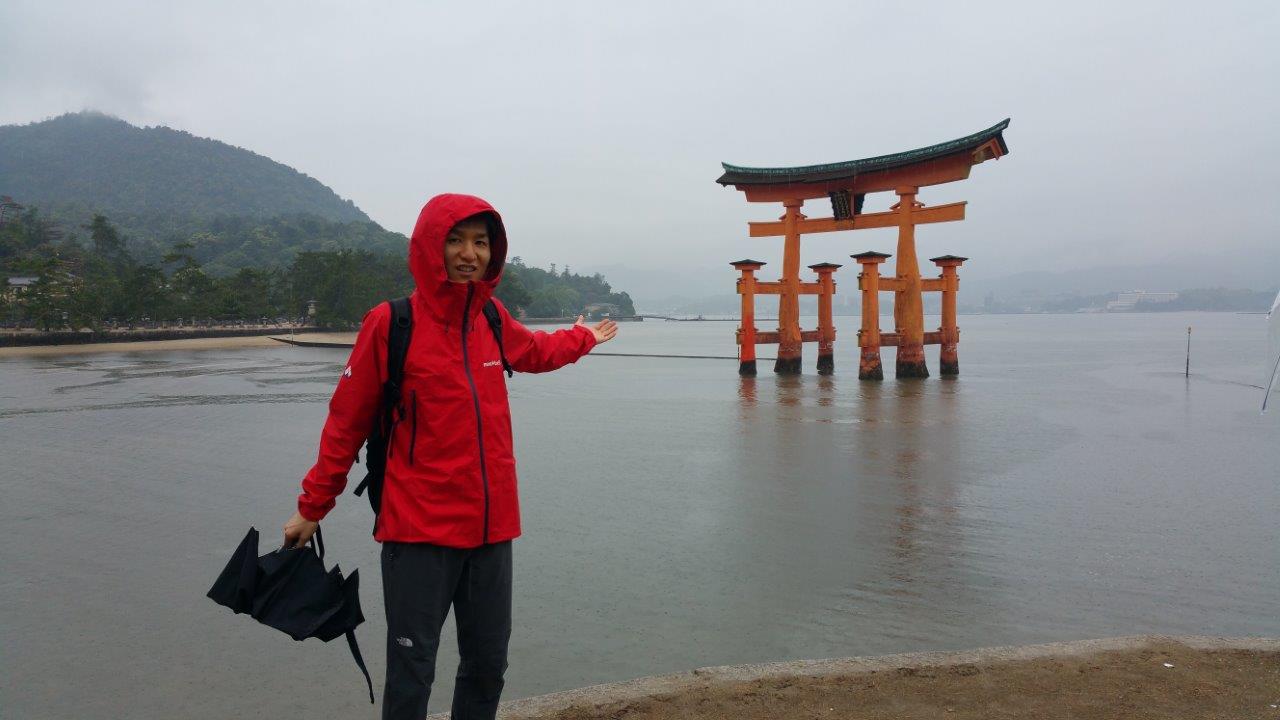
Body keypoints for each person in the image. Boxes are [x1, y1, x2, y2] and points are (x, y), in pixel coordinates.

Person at [282, 193, 617, 720]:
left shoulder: (489, 314)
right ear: (429, 248)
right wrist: (312, 505)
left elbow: (532, 352)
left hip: (491, 527)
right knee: (413, 671)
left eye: (481, 242)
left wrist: (582, 338)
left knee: (487, 665)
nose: (469, 254)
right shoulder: (391, 323)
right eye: (456, 241)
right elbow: (345, 421)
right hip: (419, 530)